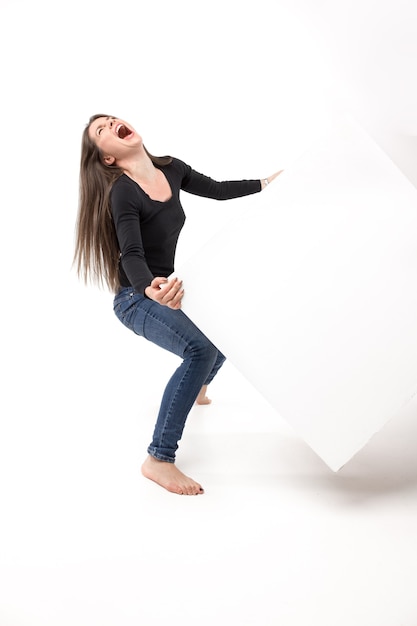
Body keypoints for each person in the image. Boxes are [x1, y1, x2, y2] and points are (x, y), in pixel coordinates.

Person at [74, 114, 282, 495]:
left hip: (166, 287)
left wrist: (267, 184)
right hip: (136, 298)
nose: (111, 123)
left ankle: (198, 387)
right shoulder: (123, 190)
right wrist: (148, 287)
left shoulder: (171, 169)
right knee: (199, 349)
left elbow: (218, 190)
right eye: (101, 130)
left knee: (222, 330)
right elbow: (131, 253)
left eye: (110, 119)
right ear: (107, 158)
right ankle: (158, 458)